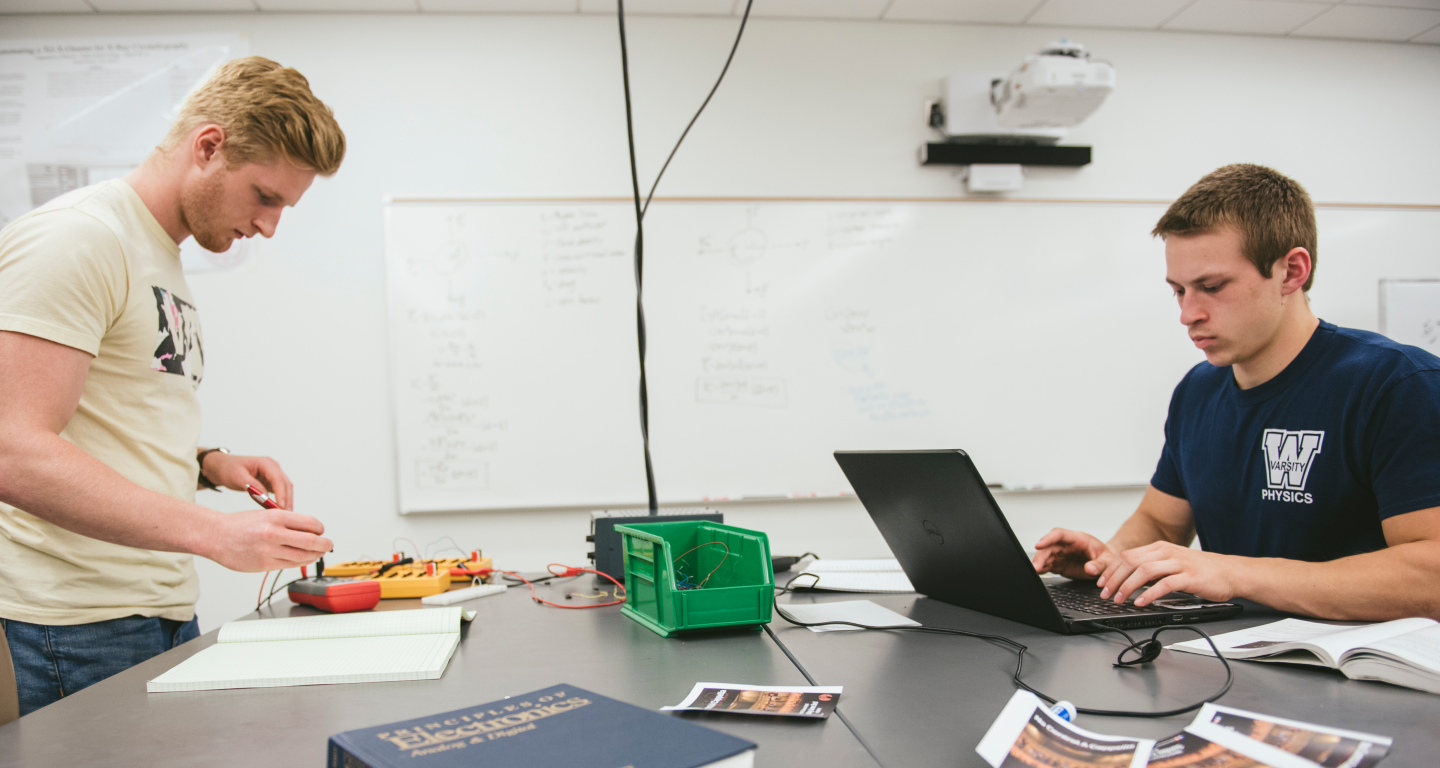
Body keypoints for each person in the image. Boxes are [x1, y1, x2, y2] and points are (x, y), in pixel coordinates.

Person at [0, 57, 344, 715]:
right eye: (265, 197)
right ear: (208, 146)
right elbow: (15, 453)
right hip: (74, 623)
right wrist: (215, 535)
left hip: (152, 608)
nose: (269, 227)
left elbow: (109, 426)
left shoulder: (155, 254)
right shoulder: (81, 239)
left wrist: (208, 464)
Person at [1031, 164, 1440, 622]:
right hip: (1231, 660)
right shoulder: (1198, 390)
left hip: (1358, 675)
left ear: (1291, 271)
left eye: (1211, 287)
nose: (1188, 314)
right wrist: (1107, 560)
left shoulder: (1398, 385)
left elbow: (1432, 574)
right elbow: (1162, 523)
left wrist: (1234, 574)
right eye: (1178, 291)